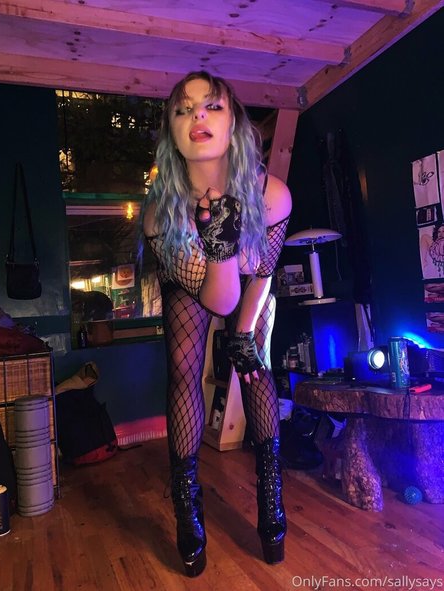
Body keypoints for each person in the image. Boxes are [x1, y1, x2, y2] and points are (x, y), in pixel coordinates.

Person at [140, 71, 292, 577]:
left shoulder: (271, 195)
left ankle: (271, 497)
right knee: (183, 371)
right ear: (171, 133)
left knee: (255, 365)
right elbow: (215, 300)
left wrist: (243, 334)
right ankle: (187, 505)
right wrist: (218, 248)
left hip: (247, 282)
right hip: (193, 280)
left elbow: (262, 274)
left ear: (234, 122)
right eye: (183, 109)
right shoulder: (159, 215)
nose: (198, 115)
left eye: (212, 106)